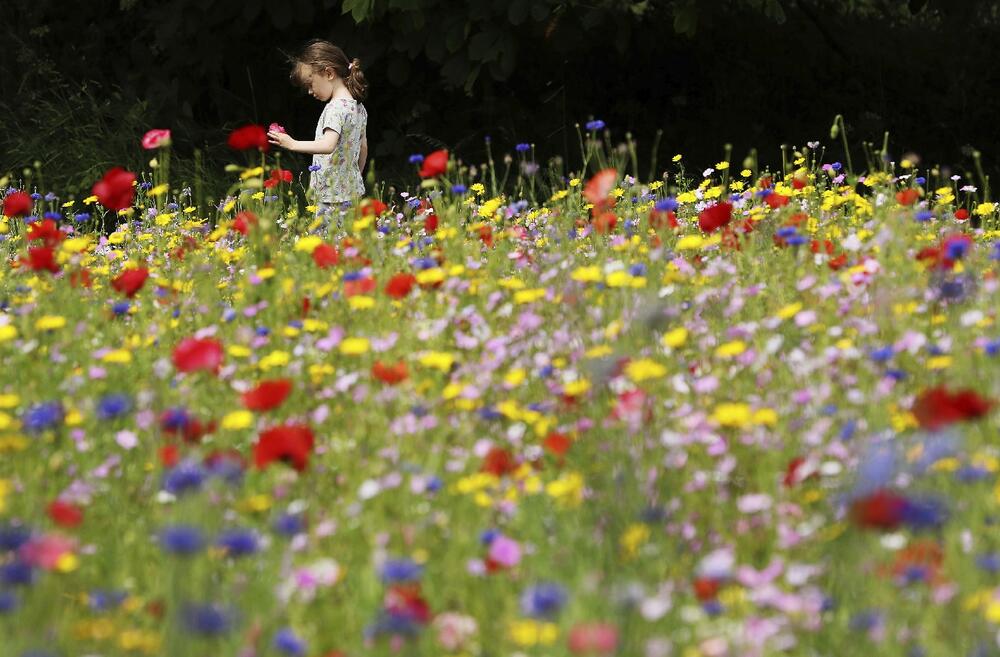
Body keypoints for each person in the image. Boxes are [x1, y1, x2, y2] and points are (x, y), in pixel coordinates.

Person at [268, 40, 368, 229]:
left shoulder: (335, 109)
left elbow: (328, 145)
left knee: (327, 247)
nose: (309, 91)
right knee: (349, 244)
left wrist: (292, 144)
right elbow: (363, 147)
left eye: (310, 83)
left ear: (329, 73)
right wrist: (356, 176)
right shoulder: (358, 108)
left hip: (330, 196)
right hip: (352, 192)